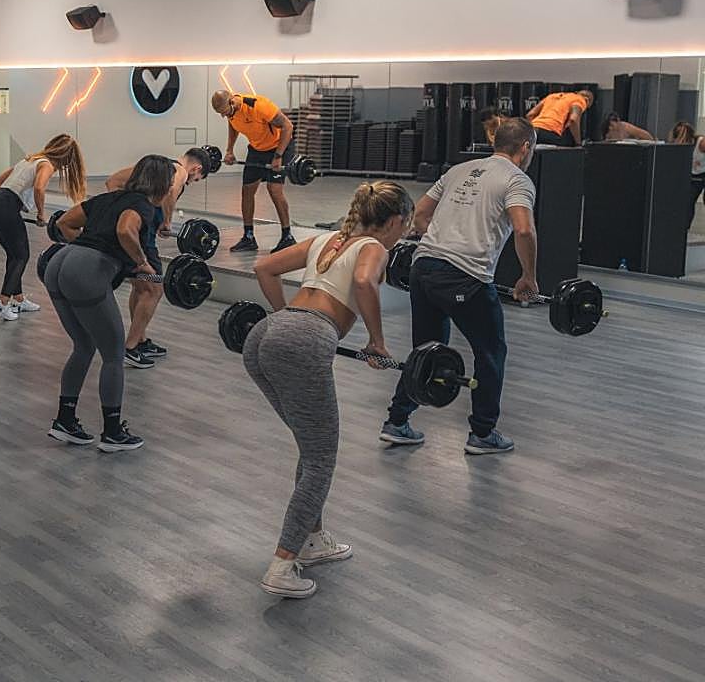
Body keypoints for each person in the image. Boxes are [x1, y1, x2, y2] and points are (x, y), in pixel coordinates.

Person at [245, 181, 414, 599]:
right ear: (394, 221)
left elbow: (262, 269)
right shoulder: (375, 247)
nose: (405, 233)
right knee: (321, 458)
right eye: (406, 226)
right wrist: (377, 340)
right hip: (304, 339)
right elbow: (363, 282)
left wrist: (286, 319)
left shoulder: (325, 239)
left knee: (311, 446)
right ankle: (283, 565)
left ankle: (312, 539)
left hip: (263, 336)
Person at [380, 116, 539, 455]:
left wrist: (442, 240)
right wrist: (528, 277)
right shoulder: (518, 180)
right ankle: (482, 433)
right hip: (466, 276)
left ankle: (397, 422)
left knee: (425, 350)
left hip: (423, 268)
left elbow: (419, 215)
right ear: (526, 147)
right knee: (491, 352)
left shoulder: (459, 170)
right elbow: (524, 230)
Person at [43, 155, 174, 453]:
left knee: (84, 345)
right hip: (85, 272)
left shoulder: (108, 198)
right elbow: (125, 230)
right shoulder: (144, 206)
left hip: (59, 264)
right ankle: (113, 432)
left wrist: (95, 250)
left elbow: (64, 223)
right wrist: (141, 263)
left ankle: (65, 421)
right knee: (114, 354)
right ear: (162, 184)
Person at [103, 147, 211, 367]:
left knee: (141, 287)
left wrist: (121, 212)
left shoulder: (155, 168)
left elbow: (112, 182)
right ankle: (130, 348)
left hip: (141, 236)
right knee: (155, 287)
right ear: (197, 168)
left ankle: (140, 340)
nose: (192, 182)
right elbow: (171, 192)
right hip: (143, 241)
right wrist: (166, 221)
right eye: (197, 179)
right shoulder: (179, 171)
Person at [0, 133, 87, 321]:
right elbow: (39, 188)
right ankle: (2, 302)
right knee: (22, 256)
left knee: (14, 255)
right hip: (4, 206)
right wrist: (41, 213)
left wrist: (9, 207)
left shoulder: (30, 159)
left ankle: (19, 299)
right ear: (67, 157)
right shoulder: (46, 164)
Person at [211, 90, 296, 253]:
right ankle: (248, 237)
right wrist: (229, 150)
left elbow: (288, 126)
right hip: (257, 149)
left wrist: (278, 156)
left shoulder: (259, 106)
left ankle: (287, 236)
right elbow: (233, 124)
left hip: (279, 147)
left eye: (224, 112)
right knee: (247, 191)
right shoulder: (231, 112)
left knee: (274, 190)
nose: (223, 116)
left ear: (231, 102)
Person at [527, 89, 592, 146]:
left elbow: (530, 114)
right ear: (587, 100)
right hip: (550, 132)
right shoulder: (580, 100)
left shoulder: (552, 96)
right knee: (570, 143)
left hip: (532, 130)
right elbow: (573, 120)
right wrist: (578, 143)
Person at [670, 122, 705, 229]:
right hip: (694, 176)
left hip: (703, 173)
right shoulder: (680, 148)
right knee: (688, 200)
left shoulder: (701, 143)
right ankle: (684, 228)